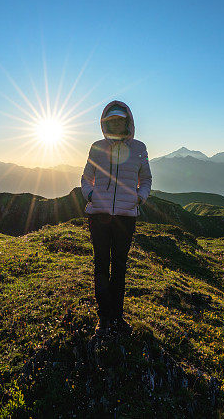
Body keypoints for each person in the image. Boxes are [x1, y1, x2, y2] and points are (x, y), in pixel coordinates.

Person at [81, 100, 152, 336]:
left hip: (125, 216)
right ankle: (104, 319)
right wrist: (90, 194)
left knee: (119, 267)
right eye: (111, 121)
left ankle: (117, 317)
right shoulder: (96, 147)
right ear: (105, 123)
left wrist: (140, 198)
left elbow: (147, 179)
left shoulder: (139, 148)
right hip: (99, 215)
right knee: (101, 265)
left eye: (120, 120)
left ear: (127, 122)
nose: (116, 124)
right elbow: (86, 177)